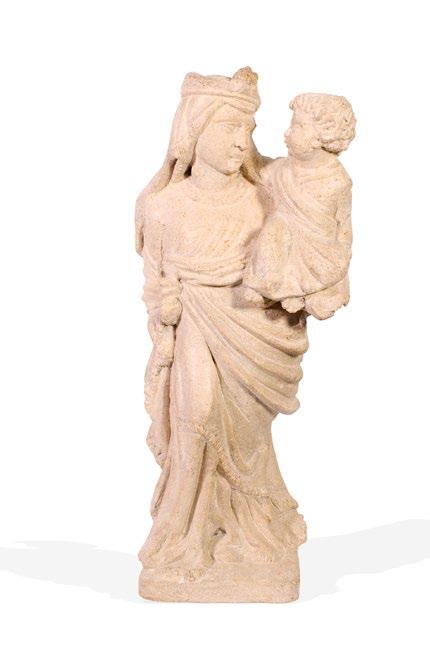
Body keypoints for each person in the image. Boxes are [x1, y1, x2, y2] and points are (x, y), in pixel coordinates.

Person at [135, 68, 307, 598]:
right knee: (194, 419)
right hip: (195, 322)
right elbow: (155, 279)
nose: (240, 141)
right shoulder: (162, 206)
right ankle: (181, 539)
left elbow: (298, 258)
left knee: (247, 438)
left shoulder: (266, 200)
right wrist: (163, 310)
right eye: (228, 127)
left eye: (246, 129)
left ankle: (250, 533)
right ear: (194, 130)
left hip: (254, 333)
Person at [243, 93, 355, 320]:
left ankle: (298, 290)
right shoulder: (282, 170)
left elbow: (343, 226)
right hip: (281, 244)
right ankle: (275, 285)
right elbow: (255, 169)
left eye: (297, 126)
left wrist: (342, 259)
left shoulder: (337, 181)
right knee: (276, 225)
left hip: (319, 254)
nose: (287, 133)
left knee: (279, 225)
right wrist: (244, 131)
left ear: (322, 136)